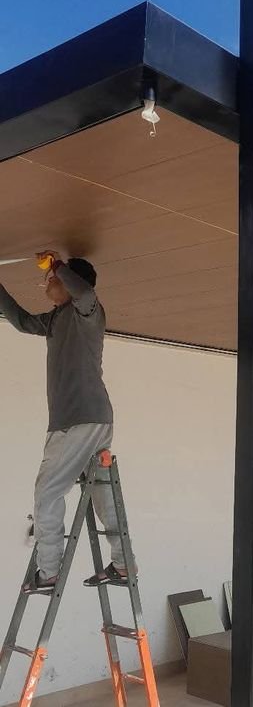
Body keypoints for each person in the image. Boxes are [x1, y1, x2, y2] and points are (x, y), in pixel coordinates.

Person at [0, 251, 133, 591]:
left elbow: (85, 292)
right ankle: (123, 564)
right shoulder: (56, 319)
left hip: (76, 421)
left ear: (69, 282)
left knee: (47, 494)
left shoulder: (87, 312)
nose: (47, 282)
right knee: (103, 496)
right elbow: (21, 320)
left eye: (53, 279)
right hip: (92, 418)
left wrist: (58, 264)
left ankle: (48, 572)